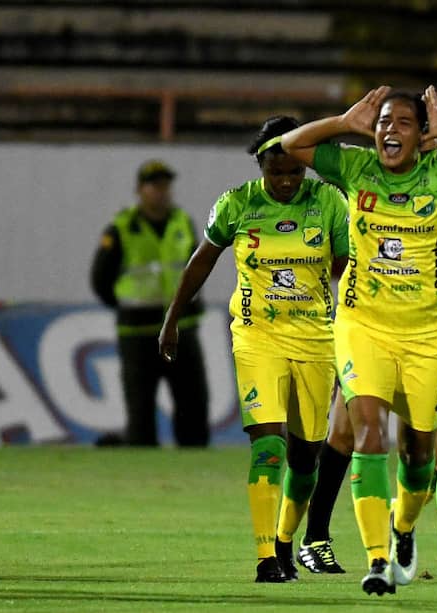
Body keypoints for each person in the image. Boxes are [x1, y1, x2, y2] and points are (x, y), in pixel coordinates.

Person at [278, 86, 437, 599]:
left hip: (429, 335)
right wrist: (344, 122)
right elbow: (289, 145)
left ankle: (403, 531)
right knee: (367, 431)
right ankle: (379, 561)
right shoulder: (356, 168)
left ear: (422, 135)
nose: (390, 130)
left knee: (419, 453)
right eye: (383, 122)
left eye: (403, 123)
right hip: (362, 325)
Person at [158, 116, 349, 583]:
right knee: (267, 444)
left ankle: (286, 542)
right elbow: (203, 260)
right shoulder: (237, 205)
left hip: (316, 339)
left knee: (306, 457)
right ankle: (267, 558)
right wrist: (172, 317)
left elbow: (346, 267)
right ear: (260, 165)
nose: (285, 182)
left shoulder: (329, 201)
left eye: (294, 172)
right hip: (256, 335)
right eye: (275, 172)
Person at [90, 159, 209, 447]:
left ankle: (193, 469)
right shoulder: (121, 228)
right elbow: (101, 279)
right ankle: (144, 474)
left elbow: (197, 268)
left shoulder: (182, 222)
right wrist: (129, 308)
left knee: (193, 403)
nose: (161, 192)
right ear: (139, 190)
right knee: (140, 409)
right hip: (138, 334)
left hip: (181, 329)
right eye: (154, 186)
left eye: (165, 186)